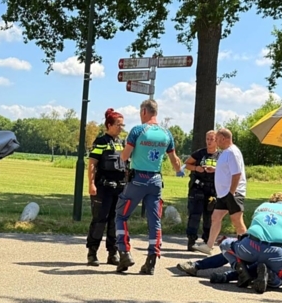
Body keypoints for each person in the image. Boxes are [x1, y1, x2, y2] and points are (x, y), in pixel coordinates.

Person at [181, 193, 282, 293]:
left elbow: (255, 229)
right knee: (280, 275)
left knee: (229, 246)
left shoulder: (262, 206)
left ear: (271, 201)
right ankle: (271, 278)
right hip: (275, 253)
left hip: (250, 246)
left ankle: (222, 270)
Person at [115, 98, 183, 275]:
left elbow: (124, 156)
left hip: (138, 179)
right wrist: (179, 170)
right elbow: (175, 161)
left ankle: (124, 252)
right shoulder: (166, 134)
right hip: (155, 181)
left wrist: (123, 152)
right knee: (155, 222)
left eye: (140, 113)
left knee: (121, 216)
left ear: (144, 112)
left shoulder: (138, 130)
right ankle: (151, 260)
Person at [194, 127, 247, 255]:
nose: (216, 141)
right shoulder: (226, 152)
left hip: (232, 193)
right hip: (224, 193)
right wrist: (215, 169)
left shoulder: (232, 152)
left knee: (237, 222)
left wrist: (231, 193)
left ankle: (248, 247)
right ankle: (209, 246)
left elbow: (237, 174)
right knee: (215, 217)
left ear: (224, 138)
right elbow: (226, 169)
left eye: (217, 139)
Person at [85, 109, 127, 266]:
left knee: (115, 221)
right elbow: (92, 164)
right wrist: (91, 184)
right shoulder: (101, 141)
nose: (121, 127)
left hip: (120, 188)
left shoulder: (122, 143)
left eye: (122, 124)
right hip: (103, 187)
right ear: (109, 125)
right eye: (118, 124)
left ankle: (112, 253)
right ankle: (92, 252)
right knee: (99, 220)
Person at [184, 130, 217, 251]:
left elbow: (226, 170)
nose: (209, 141)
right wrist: (196, 168)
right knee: (195, 215)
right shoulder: (200, 153)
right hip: (198, 188)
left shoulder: (221, 155)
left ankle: (207, 241)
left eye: (211, 139)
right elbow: (186, 164)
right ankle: (191, 240)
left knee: (210, 216)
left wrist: (215, 170)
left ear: (217, 140)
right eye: (207, 139)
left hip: (212, 190)